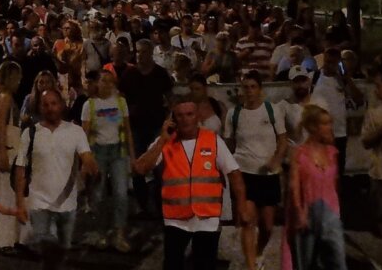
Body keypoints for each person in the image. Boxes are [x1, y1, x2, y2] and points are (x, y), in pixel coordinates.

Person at [132, 96, 254, 270]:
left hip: (207, 218)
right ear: (173, 118)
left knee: (205, 265)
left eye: (189, 114)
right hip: (176, 218)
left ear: (197, 117)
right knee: (172, 264)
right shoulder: (166, 142)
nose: (185, 119)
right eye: (180, 115)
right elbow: (140, 168)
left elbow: (234, 174)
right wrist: (161, 141)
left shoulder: (212, 140)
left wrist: (241, 206)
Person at [15, 87, 99, 267]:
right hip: (39, 204)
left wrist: (91, 167)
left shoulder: (75, 132)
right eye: (46, 104)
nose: (50, 108)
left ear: (61, 105)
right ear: (40, 108)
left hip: (66, 205)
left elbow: (86, 156)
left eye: (54, 103)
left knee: (60, 253)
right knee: (48, 251)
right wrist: (20, 202)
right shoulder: (30, 134)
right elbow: (20, 168)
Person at [224, 70, 289, 269]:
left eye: (253, 87)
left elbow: (283, 140)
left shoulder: (272, 110)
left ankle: (259, 252)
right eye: (246, 87)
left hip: (268, 176)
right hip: (244, 175)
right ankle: (251, 265)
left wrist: (276, 160)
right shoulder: (233, 113)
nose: (249, 91)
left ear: (260, 89)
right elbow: (228, 144)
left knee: (268, 227)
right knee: (247, 221)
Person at [282, 105, 346, 270]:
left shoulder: (332, 152)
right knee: (306, 262)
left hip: (331, 213)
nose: (329, 127)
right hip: (308, 212)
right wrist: (298, 211)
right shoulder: (299, 153)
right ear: (312, 127)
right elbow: (293, 185)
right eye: (324, 124)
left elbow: (335, 184)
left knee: (337, 261)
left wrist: (337, 212)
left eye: (329, 123)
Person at [119, 38, 173, 217]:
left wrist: (168, 119)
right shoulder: (129, 74)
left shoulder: (160, 74)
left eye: (143, 52)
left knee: (159, 166)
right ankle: (142, 204)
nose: (139, 55)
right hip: (135, 125)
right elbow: (121, 98)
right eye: (138, 51)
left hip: (156, 125)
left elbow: (170, 98)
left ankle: (159, 203)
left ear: (150, 53)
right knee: (138, 166)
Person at [81, 70, 133, 252]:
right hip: (98, 153)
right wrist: (85, 160)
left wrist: (132, 157)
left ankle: (119, 233)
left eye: (110, 81)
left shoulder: (120, 102)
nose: (107, 84)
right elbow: (84, 134)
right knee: (99, 195)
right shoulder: (90, 105)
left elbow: (127, 130)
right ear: (97, 83)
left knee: (121, 194)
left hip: (118, 151)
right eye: (103, 81)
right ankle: (102, 232)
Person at [0, 61, 23, 255]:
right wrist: (2, 153)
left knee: (5, 195)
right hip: (6, 151)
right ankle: (6, 241)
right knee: (6, 196)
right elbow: (0, 126)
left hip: (5, 151)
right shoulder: (6, 97)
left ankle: (10, 239)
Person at [310, 47, 364, 174]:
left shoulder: (342, 80)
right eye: (327, 62)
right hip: (320, 134)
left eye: (333, 62)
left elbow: (359, 100)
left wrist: (346, 79)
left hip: (339, 134)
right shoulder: (315, 77)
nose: (330, 66)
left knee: (338, 172)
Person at [362, 67, 382, 270]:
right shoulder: (374, 112)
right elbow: (365, 141)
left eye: (379, 86)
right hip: (380, 172)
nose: (375, 90)